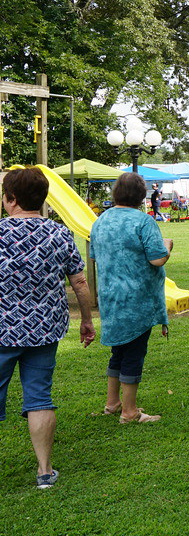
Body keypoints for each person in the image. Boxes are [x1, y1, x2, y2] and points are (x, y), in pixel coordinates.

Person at [0, 168, 96, 489]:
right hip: (44, 330)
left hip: (2, 331)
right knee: (39, 397)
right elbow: (79, 282)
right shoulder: (59, 234)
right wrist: (86, 320)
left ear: (11, 199)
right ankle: (44, 472)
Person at [89, 172, 172, 423]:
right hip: (138, 300)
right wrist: (167, 246)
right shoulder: (143, 221)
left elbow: (94, 256)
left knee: (119, 351)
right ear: (140, 195)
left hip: (110, 298)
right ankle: (129, 411)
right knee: (134, 353)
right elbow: (157, 259)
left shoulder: (100, 221)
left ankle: (112, 403)